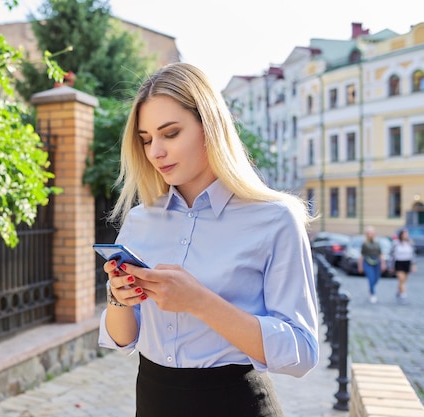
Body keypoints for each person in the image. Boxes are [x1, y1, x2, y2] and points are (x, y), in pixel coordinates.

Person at [97, 62, 319, 417]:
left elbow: (303, 353)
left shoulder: (275, 218)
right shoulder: (140, 221)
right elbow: (122, 339)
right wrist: (119, 298)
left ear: (209, 127)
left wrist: (200, 302)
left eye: (170, 133)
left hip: (235, 404)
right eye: (146, 139)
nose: (155, 151)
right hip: (153, 400)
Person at [357, 226, 386, 304]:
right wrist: (360, 265)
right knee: (371, 278)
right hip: (367, 262)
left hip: (377, 262)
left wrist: (383, 263)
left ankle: (371, 289)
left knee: (376, 278)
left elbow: (380, 254)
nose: (371, 234)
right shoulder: (364, 244)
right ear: (367, 234)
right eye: (369, 233)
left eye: (372, 233)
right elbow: (362, 255)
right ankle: (373, 294)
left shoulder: (377, 243)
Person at [391, 228, 417, 304]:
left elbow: (413, 255)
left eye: (407, 234)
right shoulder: (396, 243)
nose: (406, 235)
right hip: (399, 262)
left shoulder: (410, 243)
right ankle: (403, 295)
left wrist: (413, 265)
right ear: (401, 235)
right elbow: (392, 255)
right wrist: (391, 265)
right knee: (401, 279)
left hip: (407, 262)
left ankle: (399, 292)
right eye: (404, 234)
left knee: (404, 280)